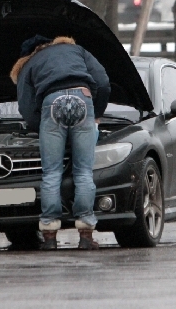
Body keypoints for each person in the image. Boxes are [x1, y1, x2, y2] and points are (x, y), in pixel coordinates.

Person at [10, 35, 110, 250]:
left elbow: (26, 106)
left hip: (51, 102)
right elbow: (102, 80)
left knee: (52, 172)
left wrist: (43, 127)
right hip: (82, 97)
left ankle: (49, 236)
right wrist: (97, 114)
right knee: (83, 171)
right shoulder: (77, 50)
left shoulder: (30, 62)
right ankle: (85, 235)